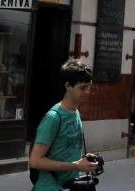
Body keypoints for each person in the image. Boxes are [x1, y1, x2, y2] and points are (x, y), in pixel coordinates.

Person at [29, 60, 100, 190]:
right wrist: (76, 166)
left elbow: (67, 150)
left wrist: (84, 160)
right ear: (68, 86)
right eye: (82, 88)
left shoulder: (75, 113)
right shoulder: (53, 118)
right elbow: (35, 161)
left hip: (71, 186)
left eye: (89, 87)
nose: (87, 92)